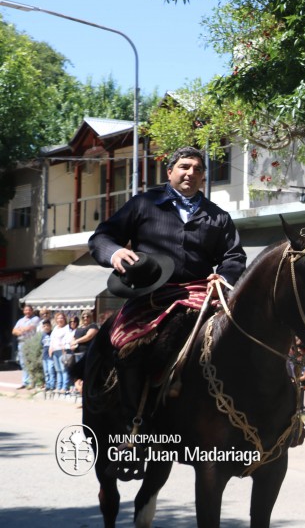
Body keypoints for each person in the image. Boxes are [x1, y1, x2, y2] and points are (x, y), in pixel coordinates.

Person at [88, 147, 247, 435]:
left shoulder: (218, 216)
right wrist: (114, 253)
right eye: (184, 166)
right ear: (169, 171)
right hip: (150, 295)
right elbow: (102, 237)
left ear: (203, 177)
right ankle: (134, 421)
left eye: (197, 169)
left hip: (201, 293)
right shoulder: (143, 204)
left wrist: (223, 278)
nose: (190, 173)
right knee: (128, 347)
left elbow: (234, 256)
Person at [11, 304, 41, 389]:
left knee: (31, 362)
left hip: (31, 342)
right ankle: (25, 382)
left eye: (29, 310)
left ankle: (31, 381)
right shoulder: (21, 320)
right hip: (21, 343)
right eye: (25, 310)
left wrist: (21, 329)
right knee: (23, 363)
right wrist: (20, 330)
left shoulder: (35, 319)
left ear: (32, 311)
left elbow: (29, 328)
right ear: (23, 311)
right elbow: (13, 331)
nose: (27, 312)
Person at [48, 313, 74, 394]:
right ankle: (59, 387)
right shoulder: (55, 328)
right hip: (55, 351)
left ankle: (64, 387)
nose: (60, 320)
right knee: (58, 370)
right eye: (58, 318)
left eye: (61, 318)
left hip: (63, 351)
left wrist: (65, 347)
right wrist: (50, 348)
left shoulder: (67, 328)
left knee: (64, 369)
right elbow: (52, 340)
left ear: (64, 319)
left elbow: (69, 338)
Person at [40, 320, 55, 392]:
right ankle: (47, 385)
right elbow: (41, 344)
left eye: (47, 326)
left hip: (50, 356)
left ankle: (52, 385)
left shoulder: (53, 334)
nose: (46, 327)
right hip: (44, 356)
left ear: (50, 326)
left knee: (50, 370)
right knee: (46, 371)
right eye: (44, 326)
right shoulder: (43, 335)